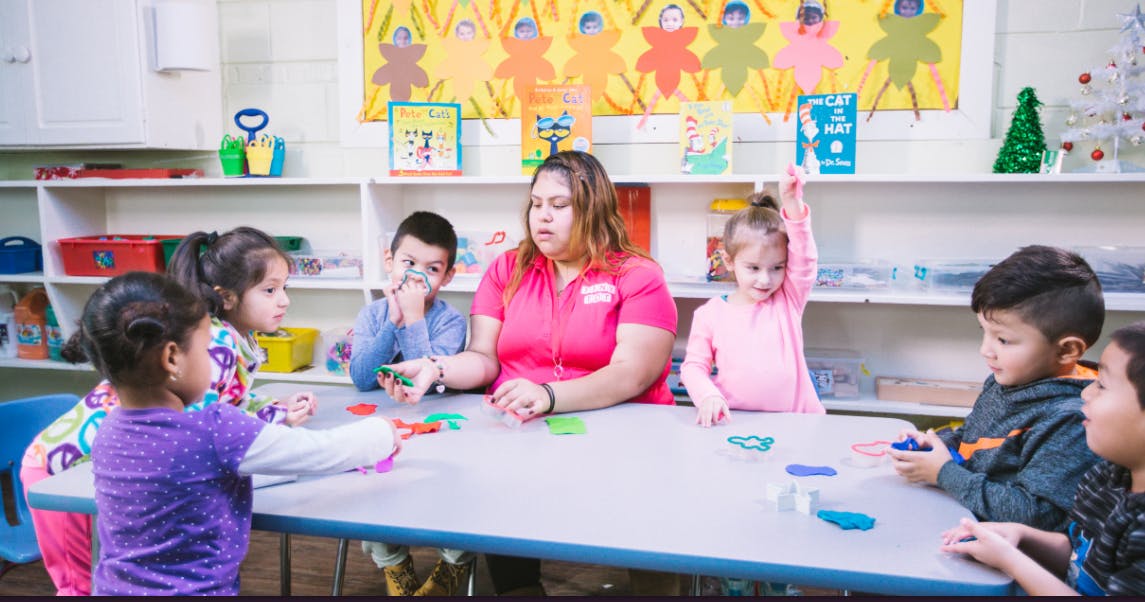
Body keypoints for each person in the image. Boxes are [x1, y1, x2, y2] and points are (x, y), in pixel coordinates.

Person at [379, 150, 679, 596]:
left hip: (625, 440)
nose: (543, 216)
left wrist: (549, 394)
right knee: (501, 498)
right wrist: (434, 367)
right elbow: (484, 358)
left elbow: (633, 374)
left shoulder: (638, 275)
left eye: (559, 206)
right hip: (524, 435)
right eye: (537, 204)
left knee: (646, 544)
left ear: (592, 208)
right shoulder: (507, 268)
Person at [19, 226, 314, 595]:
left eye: (285, 288)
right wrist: (272, 420)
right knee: (77, 587)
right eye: (270, 290)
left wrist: (271, 409)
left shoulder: (229, 337)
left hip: (106, 470)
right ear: (227, 297)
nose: (283, 300)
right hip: (58, 471)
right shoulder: (217, 342)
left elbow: (223, 405)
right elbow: (199, 426)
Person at [66, 272, 399, 595]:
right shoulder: (214, 427)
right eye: (206, 349)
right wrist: (381, 432)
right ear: (172, 358)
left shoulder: (107, 430)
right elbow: (317, 451)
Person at [889, 245, 1104, 533]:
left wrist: (943, 473)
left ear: (1067, 350)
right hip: (962, 519)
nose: (985, 351)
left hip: (1004, 557)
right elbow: (972, 438)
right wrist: (934, 445)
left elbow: (1037, 514)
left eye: (1003, 340)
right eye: (984, 333)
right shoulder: (1008, 379)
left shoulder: (1072, 419)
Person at [939, 322, 1145, 596]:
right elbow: (1079, 557)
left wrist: (1011, 561)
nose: (1085, 393)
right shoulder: (1108, 477)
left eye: (1102, 386)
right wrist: (1022, 537)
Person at [348, 211, 472, 596]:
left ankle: (454, 566)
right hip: (386, 429)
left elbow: (431, 384)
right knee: (375, 493)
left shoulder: (450, 322)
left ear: (448, 276)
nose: (417, 276)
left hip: (440, 432)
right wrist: (393, 321)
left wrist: (416, 320)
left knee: (458, 501)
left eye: (431, 268)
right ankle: (395, 565)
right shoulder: (372, 313)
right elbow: (361, 377)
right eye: (408, 263)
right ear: (390, 262)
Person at [682, 164, 822, 428]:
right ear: (729, 260)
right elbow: (693, 367)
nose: (765, 279)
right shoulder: (709, 314)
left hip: (796, 422)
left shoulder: (788, 299)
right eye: (753, 268)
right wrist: (708, 395)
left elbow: (806, 258)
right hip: (733, 422)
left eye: (777, 267)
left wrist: (793, 202)